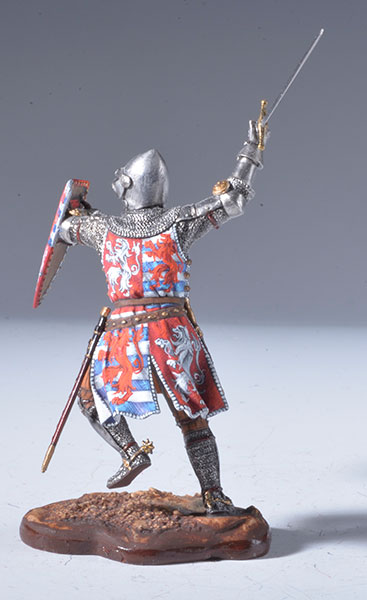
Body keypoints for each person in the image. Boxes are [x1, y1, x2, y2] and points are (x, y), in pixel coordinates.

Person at [57, 121, 268, 514]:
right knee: (192, 418)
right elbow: (232, 200)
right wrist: (250, 152)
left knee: (91, 397)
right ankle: (213, 494)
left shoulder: (103, 229)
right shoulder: (179, 222)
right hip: (170, 335)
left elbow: (66, 229)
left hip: (123, 336)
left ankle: (130, 452)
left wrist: (78, 211)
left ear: (126, 186)